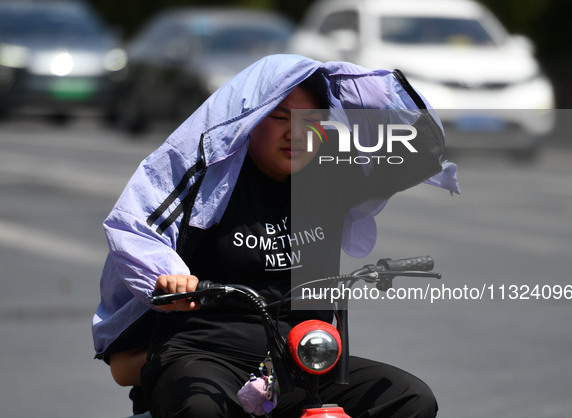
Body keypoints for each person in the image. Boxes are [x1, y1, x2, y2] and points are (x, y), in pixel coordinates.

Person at [92, 54, 459, 417]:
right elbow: (135, 226)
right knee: (200, 409)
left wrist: (352, 86)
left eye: (311, 121)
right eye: (281, 118)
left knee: (411, 398)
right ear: (249, 120)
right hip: (205, 356)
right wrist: (167, 275)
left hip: (304, 361)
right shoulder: (211, 178)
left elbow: (422, 146)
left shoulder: (333, 171)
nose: (296, 134)